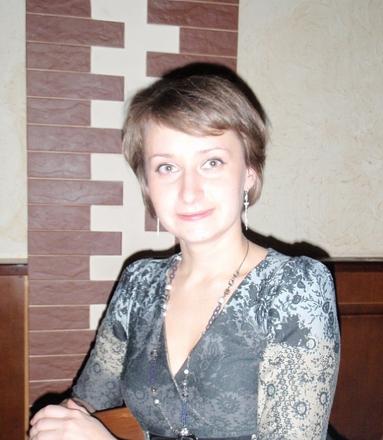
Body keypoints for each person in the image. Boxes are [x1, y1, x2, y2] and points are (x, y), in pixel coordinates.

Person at [30, 67, 340, 440]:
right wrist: (58, 424)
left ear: (249, 172)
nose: (189, 191)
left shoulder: (294, 287)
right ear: (148, 185)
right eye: (167, 167)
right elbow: (88, 402)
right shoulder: (139, 284)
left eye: (212, 162)